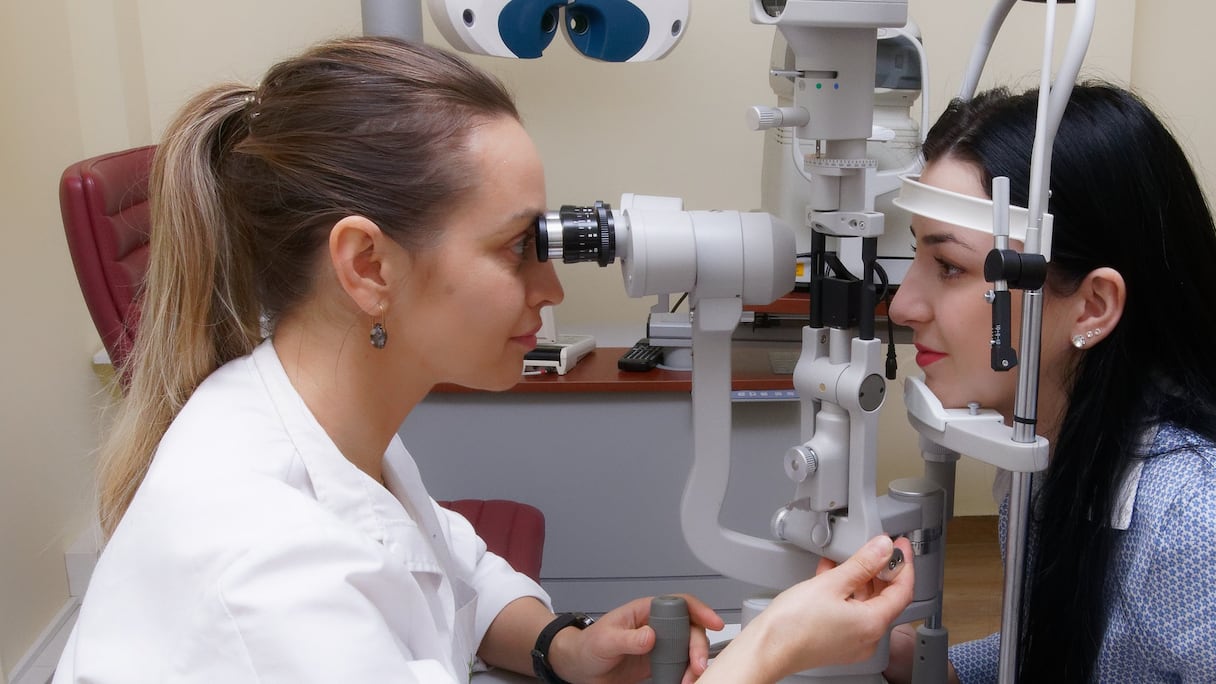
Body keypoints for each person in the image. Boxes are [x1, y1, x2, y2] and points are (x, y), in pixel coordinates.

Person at [53, 37, 914, 683]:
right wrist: (767, 648)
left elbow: (445, 558)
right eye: (516, 249)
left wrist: (556, 644)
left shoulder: (321, 417)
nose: (552, 289)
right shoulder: (265, 572)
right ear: (366, 267)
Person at [885, 82, 1216, 683]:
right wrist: (923, 665)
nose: (903, 306)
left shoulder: (1193, 522)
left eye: (950, 267)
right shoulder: (1042, 455)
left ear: (1092, 306)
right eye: (917, 256)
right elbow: (1063, 650)